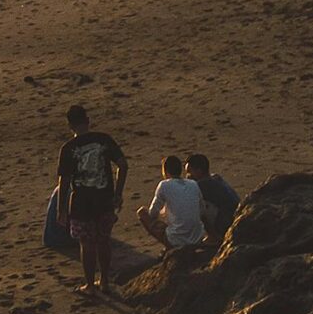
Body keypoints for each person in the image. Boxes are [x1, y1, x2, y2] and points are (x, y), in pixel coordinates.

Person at [55, 106, 127, 293]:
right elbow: (123, 165)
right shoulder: (103, 139)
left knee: (86, 244)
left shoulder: (68, 148)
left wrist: (61, 209)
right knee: (103, 240)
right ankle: (104, 280)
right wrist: (118, 193)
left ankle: (89, 284)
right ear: (88, 120)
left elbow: (64, 181)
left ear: (69, 125)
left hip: (81, 202)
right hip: (104, 199)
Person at [140, 155, 208, 252]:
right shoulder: (193, 184)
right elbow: (202, 211)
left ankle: (171, 247)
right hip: (197, 237)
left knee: (142, 212)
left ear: (165, 171)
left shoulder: (164, 185)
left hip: (177, 239)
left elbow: (153, 213)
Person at [185, 154, 240, 240]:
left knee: (196, 207)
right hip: (235, 217)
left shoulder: (202, 185)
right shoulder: (215, 177)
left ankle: (214, 236)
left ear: (199, 171)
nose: (187, 176)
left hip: (226, 222)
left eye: (189, 172)